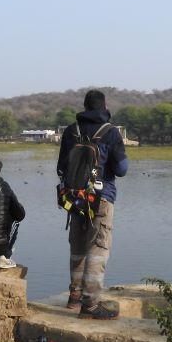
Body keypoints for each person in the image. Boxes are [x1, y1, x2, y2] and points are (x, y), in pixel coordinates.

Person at [57, 89, 128, 320]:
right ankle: (91, 305)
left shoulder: (71, 131)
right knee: (97, 249)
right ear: (104, 106)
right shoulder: (110, 133)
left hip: (74, 197)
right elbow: (122, 170)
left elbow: (60, 168)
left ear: (85, 106)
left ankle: (74, 297)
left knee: (77, 246)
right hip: (101, 197)